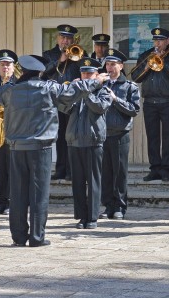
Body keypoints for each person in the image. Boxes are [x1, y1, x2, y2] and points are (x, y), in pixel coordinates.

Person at [0, 55, 108, 247]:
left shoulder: (10, 91)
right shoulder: (49, 88)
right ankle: (37, 237)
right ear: (40, 72)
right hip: (41, 149)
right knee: (39, 194)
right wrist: (96, 81)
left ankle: (19, 237)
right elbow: (75, 89)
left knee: (18, 194)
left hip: (17, 148)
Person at [60, 58, 112, 229]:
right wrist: (73, 91)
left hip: (93, 141)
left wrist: (86, 91)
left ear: (97, 75)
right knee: (78, 182)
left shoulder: (103, 90)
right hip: (74, 141)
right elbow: (63, 107)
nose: (86, 76)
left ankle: (92, 217)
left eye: (90, 74)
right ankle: (82, 216)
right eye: (83, 73)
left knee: (94, 180)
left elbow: (99, 108)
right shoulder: (76, 91)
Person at [131, 27, 169, 182]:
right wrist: (147, 66)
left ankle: (165, 168)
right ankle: (154, 168)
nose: (158, 43)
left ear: (168, 41)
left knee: (168, 136)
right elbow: (135, 77)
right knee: (152, 136)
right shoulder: (146, 56)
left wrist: (164, 62)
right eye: (156, 40)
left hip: (167, 101)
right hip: (150, 102)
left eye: (161, 40)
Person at [42, 24, 88, 181]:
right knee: (59, 135)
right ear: (58, 38)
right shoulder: (49, 54)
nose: (65, 41)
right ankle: (60, 169)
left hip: (73, 100)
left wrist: (78, 58)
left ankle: (71, 170)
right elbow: (43, 73)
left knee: (71, 136)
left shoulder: (80, 53)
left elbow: (87, 72)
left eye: (68, 38)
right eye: (63, 37)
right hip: (55, 100)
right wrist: (60, 60)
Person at [99, 49, 140, 220]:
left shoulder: (129, 86)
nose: (109, 67)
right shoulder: (101, 84)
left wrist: (116, 99)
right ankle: (108, 206)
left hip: (120, 134)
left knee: (119, 172)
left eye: (113, 64)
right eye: (108, 64)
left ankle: (120, 207)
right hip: (102, 134)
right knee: (106, 173)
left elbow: (134, 110)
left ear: (121, 66)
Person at [0, 49, 19, 215]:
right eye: (2, 64)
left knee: (13, 171)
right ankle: (2, 203)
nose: (5, 67)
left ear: (13, 67)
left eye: (8, 64)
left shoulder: (19, 84)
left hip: (13, 134)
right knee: (0, 171)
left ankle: (13, 203)